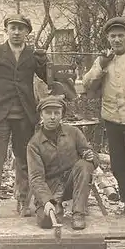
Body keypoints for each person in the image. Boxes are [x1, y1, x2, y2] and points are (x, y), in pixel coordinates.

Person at [0, 14, 48, 218]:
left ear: (27, 32)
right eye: (12, 28)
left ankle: (23, 202)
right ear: (6, 30)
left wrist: (43, 62)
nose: (16, 32)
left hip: (25, 116)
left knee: (24, 160)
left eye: (20, 28)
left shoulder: (32, 55)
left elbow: (46, 77)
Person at [82, 17, 125, 222]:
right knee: (118, 165)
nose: (117, 40)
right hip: (112, 120)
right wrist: (101, 66)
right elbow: (87, 86)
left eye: (121, 35)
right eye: (113, 36)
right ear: (107, 38)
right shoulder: (102, 60)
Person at [27, 95, 99, 230]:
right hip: (50, 187)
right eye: (48, 113)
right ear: (41, 115)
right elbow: (36, 178)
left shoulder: (73, 132)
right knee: (47, 222)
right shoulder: (34, 144)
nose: (52, 117)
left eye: (56, 113)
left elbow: (92, 155)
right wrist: (46, 200)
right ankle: (55, 207)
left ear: (62, 115)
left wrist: (90, 156)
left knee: (84, 165)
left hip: (72, 183)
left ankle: (78, 213)